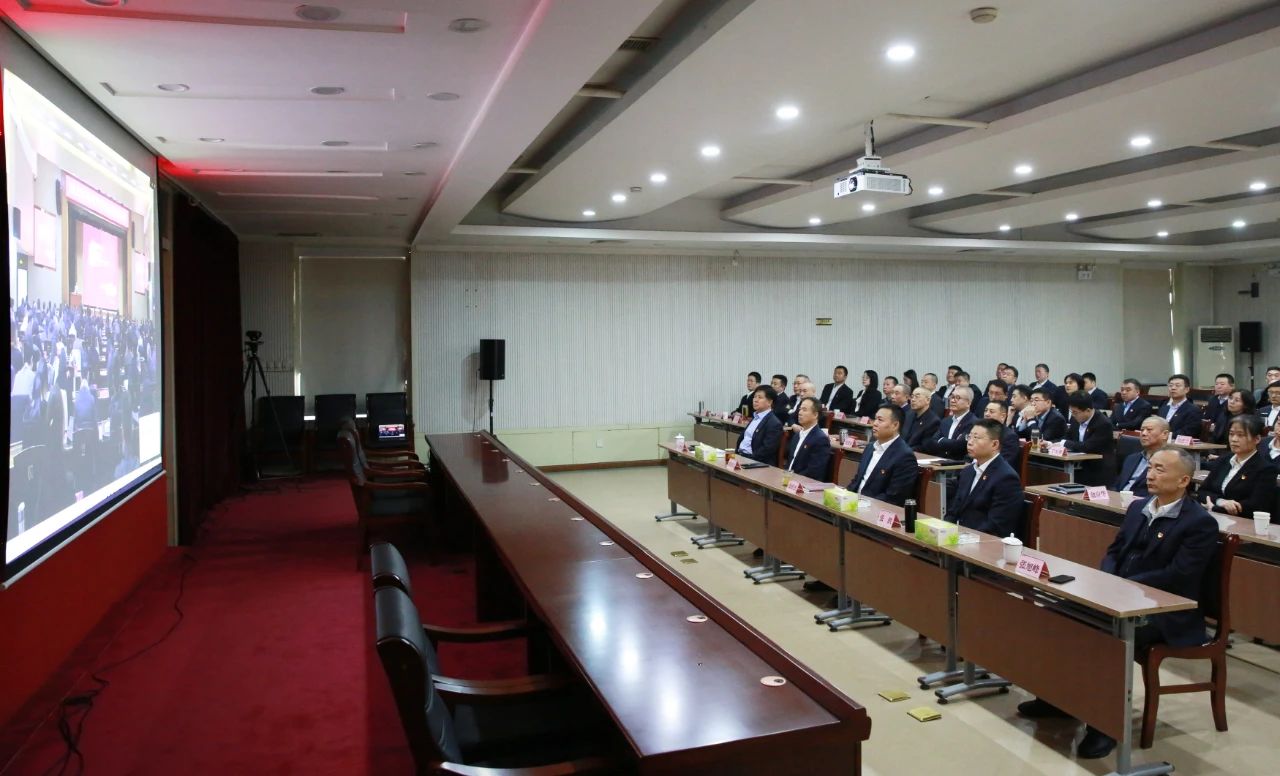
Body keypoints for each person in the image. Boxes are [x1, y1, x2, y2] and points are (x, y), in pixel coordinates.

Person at [1019, 447, 1219, 760]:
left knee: (1102, 637)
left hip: (1165, 612)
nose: (1151, 474)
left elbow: (1179, 576)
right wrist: (1109, 578)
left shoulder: (1199, 522)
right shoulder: (1139, 507)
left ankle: (1105, 725)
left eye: (1160, 469)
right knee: (1055, 615)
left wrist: (1125, 584)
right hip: (1117, 595)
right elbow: (1114, 551)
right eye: (1150, 467)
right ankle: (1056, 699)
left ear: (1183, 480)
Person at [945, 418, 1023, 537]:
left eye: (976, 438)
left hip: (984, 541)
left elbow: (996, 525)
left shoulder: (1006, 478)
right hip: (959, 536)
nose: (970, 442)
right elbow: (953, 511)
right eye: (969, 437)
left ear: (994, 444)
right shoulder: (967, 471)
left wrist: (964, 538)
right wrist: (944, 531)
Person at [1197, 414, 1276, 518]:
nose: (1234, 439)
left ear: (1257, 439)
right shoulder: (1223, 460)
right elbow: (1203, 491)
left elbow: (1255, 505)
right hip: (1210, 515)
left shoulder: (1266, 469)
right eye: (1231, 434)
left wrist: (1215, 508)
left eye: (1240, 435)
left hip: (1242, 521)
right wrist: (1220, 502)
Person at [849, 405, 918, 506]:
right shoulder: (870, 447)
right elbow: (857, 481)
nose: (875, 423)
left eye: (880, 420)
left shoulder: (905, 456)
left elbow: (894, 497)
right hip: (855, 503)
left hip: (875, 508)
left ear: (895, 425)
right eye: (875, 419)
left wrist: (862, 504)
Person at [1062, 390, 1117, 486]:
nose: (1073, 415)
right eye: (1071, 412)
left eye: (1075, 412)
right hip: (1079, 465)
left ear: (1088, 410)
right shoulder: (1076, 419)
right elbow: (1067, 437)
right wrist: (1052, 444)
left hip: (1097, 470)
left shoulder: (1103, 424)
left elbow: (1087, 447)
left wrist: (1065, 443)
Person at [1114, 417, 1170, 496]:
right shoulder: (1131, 458)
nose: (1143, 433)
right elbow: (1117, 485)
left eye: (1149, 430)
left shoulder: (1170, 462)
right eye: (1142, 430)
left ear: (1165, 434)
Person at [783, 397, 832, 481]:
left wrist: (792, 480)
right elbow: (790, 461)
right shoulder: (797, 435)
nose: (800, 413)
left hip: (804, 483)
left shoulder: (821, 439)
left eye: (804, 410)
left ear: (815, 415)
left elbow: (814, 471)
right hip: (789, 479)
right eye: (800, 409)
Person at [921, 385, 975, 459]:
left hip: (959, 463)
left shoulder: (974, 422)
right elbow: (933, 442)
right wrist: (950, 442)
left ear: (968, 403)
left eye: (957, 398)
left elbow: (960, 445)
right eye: (952, 397)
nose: (952, 400)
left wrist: (942, 440)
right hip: (940, 460)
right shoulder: (945, 421)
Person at [735, 386, 783, 465]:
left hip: (756, 462)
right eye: (755, 397)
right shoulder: (755, 417)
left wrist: (746, 460)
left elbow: (766, 450)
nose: (755, 400)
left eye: (760, 397)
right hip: (741, 456)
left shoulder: (774, 423)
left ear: (770, 402)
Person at [1154, 374, 1203, 440]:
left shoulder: (1193, 410)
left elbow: (1189, 432)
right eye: (1170, 385)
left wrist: (1165, 436)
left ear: (1187, 389)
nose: (1173, 388)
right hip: (1159, 441)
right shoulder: (1164, 407)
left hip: (1177, 444)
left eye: (1177, 385)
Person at [982, 399, 1022, 472]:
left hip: (994, 474)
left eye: (991, 411)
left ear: (1003, 416)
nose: (987, 414)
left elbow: (1004, 463)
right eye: (985, 410)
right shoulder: (980, 431)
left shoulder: (1010, 437)